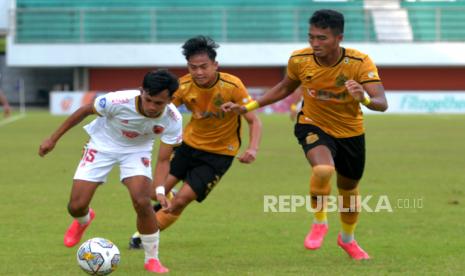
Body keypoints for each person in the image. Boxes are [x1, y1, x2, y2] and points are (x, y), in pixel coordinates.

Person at [222, 9, 388, 260]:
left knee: (349, 190)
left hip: (351, 132)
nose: (314, 43)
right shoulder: (300, 59)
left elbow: (381, 102)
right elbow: (283, 88)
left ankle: (347, 240)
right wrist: (247, 107)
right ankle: (320, 222)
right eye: (311, 37)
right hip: (312, 124)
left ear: (338, 38)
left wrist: (363, 97)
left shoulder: (359, 62)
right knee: (323, 170)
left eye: (322, 38)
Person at [39, 70, 182, 273]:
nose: (151, 107)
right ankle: (84, 219)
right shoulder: (117, 100)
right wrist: (52, 139)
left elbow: (164, 159)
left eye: (158, 103)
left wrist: (159, 189)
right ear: (141, 91)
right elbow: (84, 111)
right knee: (76, 206)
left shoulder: (173, 119)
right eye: (148, 99)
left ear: (171, 99)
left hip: (136, 151)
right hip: (101, 145)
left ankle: (152, 259)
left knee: (142, 201)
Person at [129, 35, 262, 248]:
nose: (199, 72)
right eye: (193, 67)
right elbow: (160, 108)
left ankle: (141, 238)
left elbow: (254, 121)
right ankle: (165, 201)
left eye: (204, 67)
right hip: (187, 147)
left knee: (181, 201)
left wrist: (253, 149)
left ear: (215, 65)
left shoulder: (233, 85)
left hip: (219, 155)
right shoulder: (182, 86)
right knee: (155, 192)